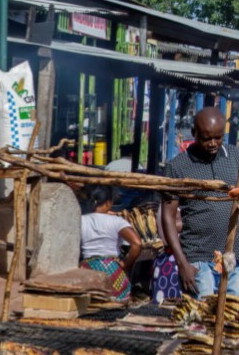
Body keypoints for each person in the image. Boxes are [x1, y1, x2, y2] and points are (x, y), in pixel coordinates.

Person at [161, 107, 239, 298]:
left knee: (232, 318)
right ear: (194, 133)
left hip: (231, 257)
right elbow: (168, 216)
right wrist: (182, 263)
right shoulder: (177, 166)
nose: (213, 143)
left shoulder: (235, 157)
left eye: (218, 137)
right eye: (206, 138)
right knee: (201, 318)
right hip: (197, 259)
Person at [78, 186, 142, 302]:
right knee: (116, 308)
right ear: (107, 203)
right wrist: (126, 265)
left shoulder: (80, 220)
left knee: (88, 306)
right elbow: (137, 244)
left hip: (86, 269)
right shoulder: (117, 221)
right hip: (112, 270)